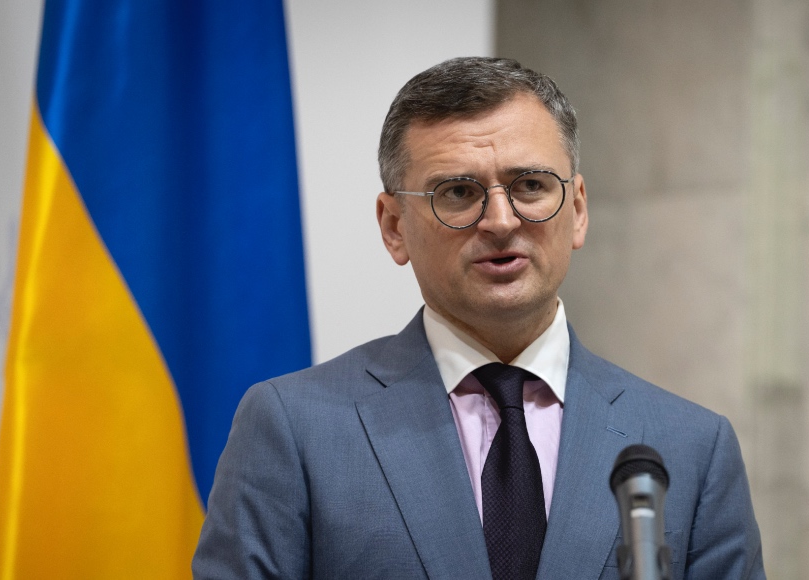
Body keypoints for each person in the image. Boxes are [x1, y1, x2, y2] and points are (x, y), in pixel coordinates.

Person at [193, 57, 765, 579]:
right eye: (458, 192)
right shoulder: (295, 428)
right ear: (394, 227)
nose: (500, 220)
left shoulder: (690, 446)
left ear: (578, 209)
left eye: (531, 186)